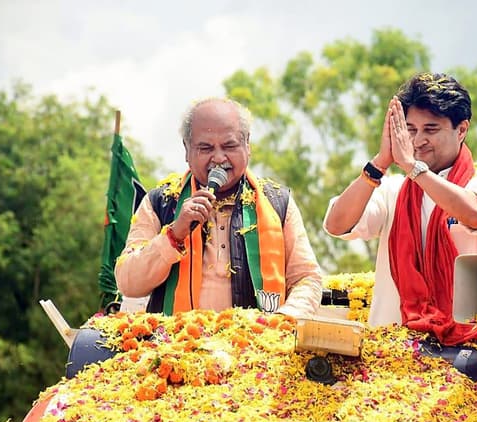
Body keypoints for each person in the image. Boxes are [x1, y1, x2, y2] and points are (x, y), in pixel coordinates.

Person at [324, 72, 477, 345]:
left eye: (431, 129)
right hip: (392, 350)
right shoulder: (392, 190)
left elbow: (475, 214)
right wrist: (379, 164)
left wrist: (414, 169)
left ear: (462, 130)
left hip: (469, 351)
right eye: (411, 130)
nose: (417, 141)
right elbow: (337, 225)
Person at [115, 98, 322, 318]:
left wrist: (283, 320)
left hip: (256, 338)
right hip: (176, 338)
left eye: (229, 146)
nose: (219, 158)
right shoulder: (161, 202)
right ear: (187, 150)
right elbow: (128, 284)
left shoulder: (277, 202)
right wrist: (174, 234)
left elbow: (306, 278)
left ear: (247, 145)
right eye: (206, 148)